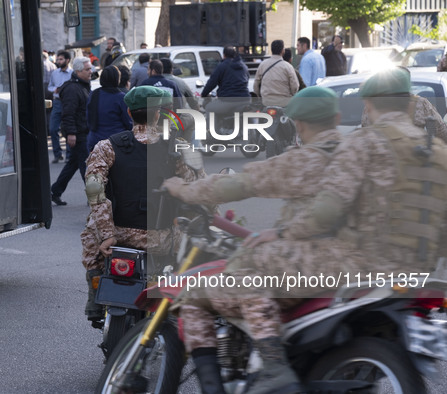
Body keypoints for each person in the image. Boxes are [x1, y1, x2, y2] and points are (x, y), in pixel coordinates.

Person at [164, 68, 447, 393]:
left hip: (357, 264)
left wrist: (282, 234)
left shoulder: (364, 143)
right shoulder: (439, 153)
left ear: (368, 103)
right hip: (419, 275)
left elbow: (327, 209)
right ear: (410, 99)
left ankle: (272, 367)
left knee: (243, 267)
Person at [81, 86, 203, 325]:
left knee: (90, 232)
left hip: (119, 237)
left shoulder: (107, 147)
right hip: (165, 240)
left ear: (128, 112)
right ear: (159, 115)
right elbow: (199, 191)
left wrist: (107, 235)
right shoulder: (179, 149)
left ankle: (95, 297)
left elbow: (95, 191)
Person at [361, 67, 447, 143]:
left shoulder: (373, 105)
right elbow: (441, 132)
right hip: (415, 153)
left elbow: (365, 130)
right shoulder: (421, 103)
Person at [50, 56, 92, 206]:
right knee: (86, 165)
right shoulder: (72, 89)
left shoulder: (82, 85)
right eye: (87, 69)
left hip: (83, 131)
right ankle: (94, 196)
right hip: (78, 133)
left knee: (73, 163)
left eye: (91, 68)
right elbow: (68, 113)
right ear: (78, 71)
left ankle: (55, 191)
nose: (90, 72)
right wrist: (71, 133)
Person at [86, 66, 133, 151]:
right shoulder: (121, 97)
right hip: (116, 141)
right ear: (117, 79)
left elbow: (88, 117)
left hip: (95, 140)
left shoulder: (94, 94)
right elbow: (128, 122)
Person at [201, 46, 250, 118]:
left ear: (224, 55)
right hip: (245, 100)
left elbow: (212, 83)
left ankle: (211, 129)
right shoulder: (243, 66)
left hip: (228, 100)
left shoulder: (222, 66)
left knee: (209, 108)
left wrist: (204, 94)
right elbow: (246, 80)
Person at [253, 40, 299, 107]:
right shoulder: (288, 67)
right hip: (284, 103)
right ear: (283, 51)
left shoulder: (262, 65)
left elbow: (256, 85)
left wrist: (259, 96)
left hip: (266, 102)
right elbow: (295, 87)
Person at [47, 51, 72, 163]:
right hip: (57, 102)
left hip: (68, 102)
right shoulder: (55, 73)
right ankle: (57, 154)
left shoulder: (72, 73)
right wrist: (54, 89)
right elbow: (50, 86)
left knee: (67, 128)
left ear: (67, 60)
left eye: (61, 59)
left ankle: (69, 154)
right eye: (58, 59)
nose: (58, 61)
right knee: (53, 128)